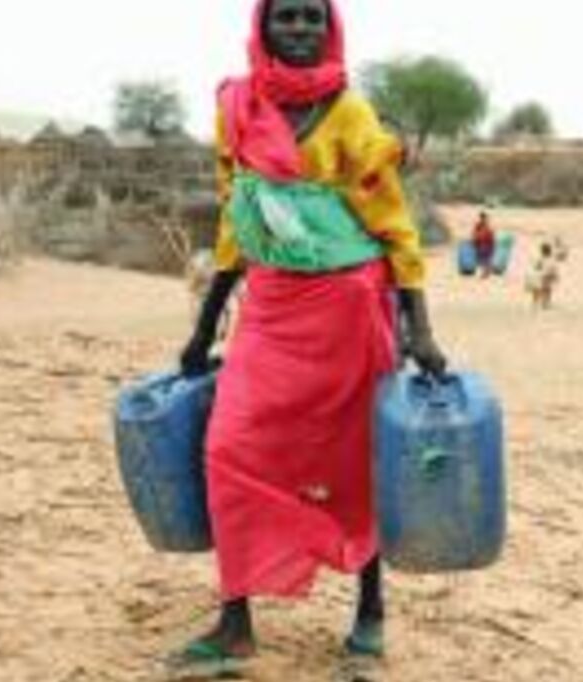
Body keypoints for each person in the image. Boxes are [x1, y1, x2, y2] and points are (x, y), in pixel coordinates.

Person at [170, 0, 447, 675]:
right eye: (285, 18)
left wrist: (421, 329)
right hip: (269, 306)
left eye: (311, 18)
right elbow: (237, 224)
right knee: (230, 448)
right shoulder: (236, 108)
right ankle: (235, 624)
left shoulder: (352, 115)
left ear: (332, 30)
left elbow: (395, 228)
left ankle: (370, 616)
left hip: (348, 307)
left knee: (354, 464)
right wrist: (203, 328)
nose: (299, 30)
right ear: (261, 29)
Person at [526, 242, 560, 311]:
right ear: (549, 251)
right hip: (546, 276)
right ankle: (545, 303)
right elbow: (554, 269)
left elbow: (536, 267)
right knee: (546, 290)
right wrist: (555, 277)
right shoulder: (550, 259)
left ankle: (536, 303)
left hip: (542, 276)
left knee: (539, 290)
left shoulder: (541, 258)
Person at [472, 211, 497, 277]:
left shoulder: (484, 225)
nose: (483, 219)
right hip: (483, 243)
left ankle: (486, 272)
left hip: (485, 243)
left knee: (484, 259)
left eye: (483, 217)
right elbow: (475, 234)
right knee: (484, 259)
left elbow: (475, 234)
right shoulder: (481, 225)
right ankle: (486, 272)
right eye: (483, 217)